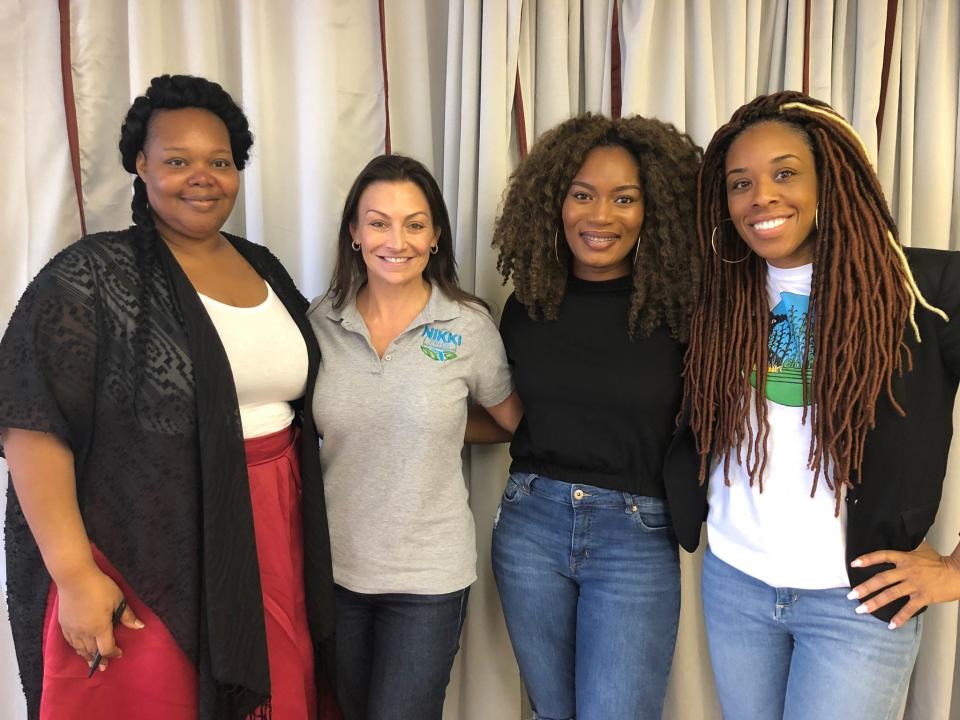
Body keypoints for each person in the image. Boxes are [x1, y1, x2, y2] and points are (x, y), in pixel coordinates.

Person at [0, 74, 336, 719]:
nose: (202, 177)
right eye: (177, 161)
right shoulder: (93, 275)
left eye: (220, 161)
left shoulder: (263, 264)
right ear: (140, 165)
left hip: (272, 526)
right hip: (146, 543)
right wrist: (74, 577)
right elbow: (30, 424)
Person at [669, 91, 960, 719]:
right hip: (736, 585)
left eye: (784, 173)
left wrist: (959, 569)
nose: (761, 197)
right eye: (740, 183)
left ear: (829, 181)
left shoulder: (922, 291)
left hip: (853, 605)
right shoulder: (719, 293)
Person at [489, 113, 702, 720]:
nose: (600, 215)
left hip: (635, 537)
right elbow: (511, 414)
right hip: (530, 525)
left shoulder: (681, 313)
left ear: (652, 210)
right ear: (554, 203)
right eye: (582, 194)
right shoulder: (529, 304)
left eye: (624, 198)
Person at [307, 154, 522, 720]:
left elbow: (508, 422)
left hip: (428, 578)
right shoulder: (319, 322)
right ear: (354, 233)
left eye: (415, 223)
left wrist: (442, 423)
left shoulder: (468, 325)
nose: (395, 240)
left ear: (435, 236)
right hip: (335, 570)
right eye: (378, 222)